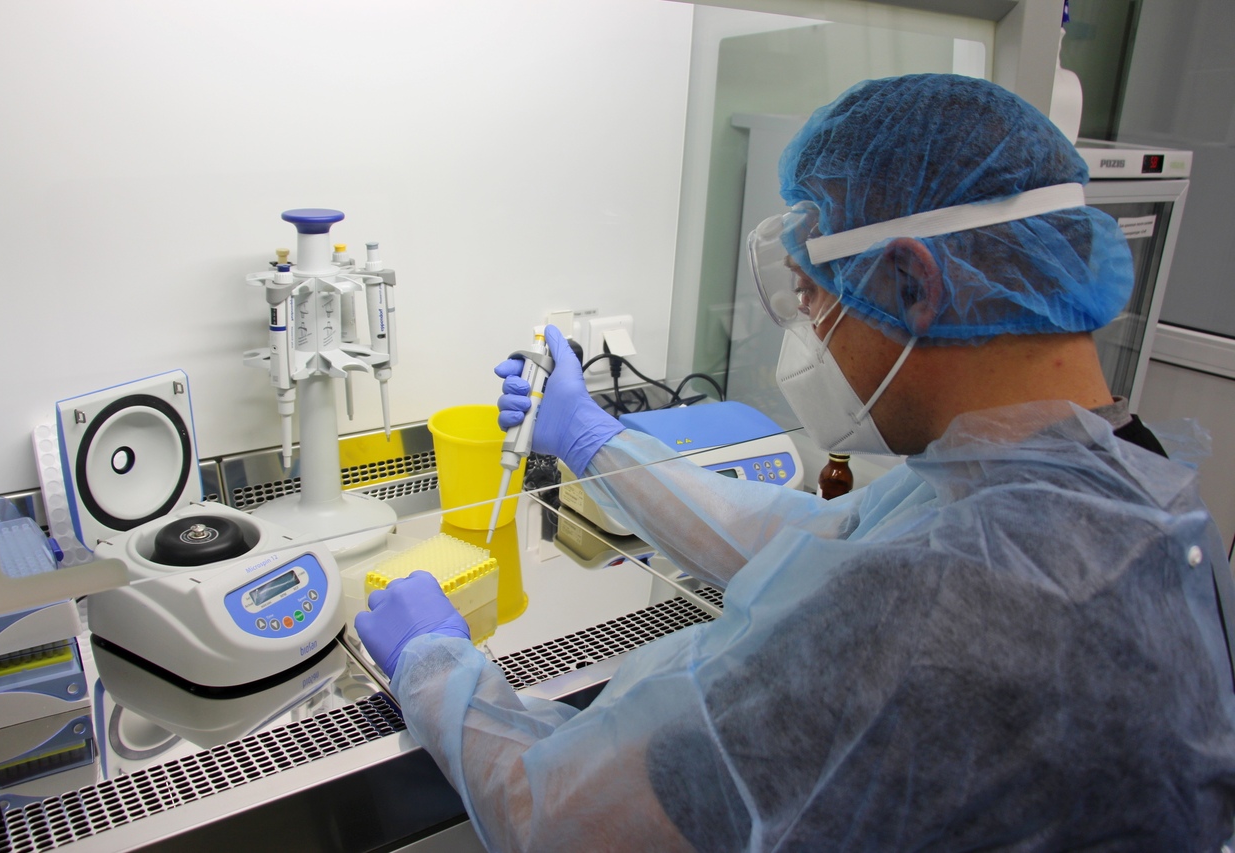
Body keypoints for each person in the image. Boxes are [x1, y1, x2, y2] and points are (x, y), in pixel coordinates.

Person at [355, 74, 1235, 850]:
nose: (809, 330)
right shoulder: (1120, 485)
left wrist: (436, 668)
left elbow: (562, 823)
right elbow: (810, 537)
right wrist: (592, 437)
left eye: (814, 295)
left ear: (913, 284)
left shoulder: (934, 612)